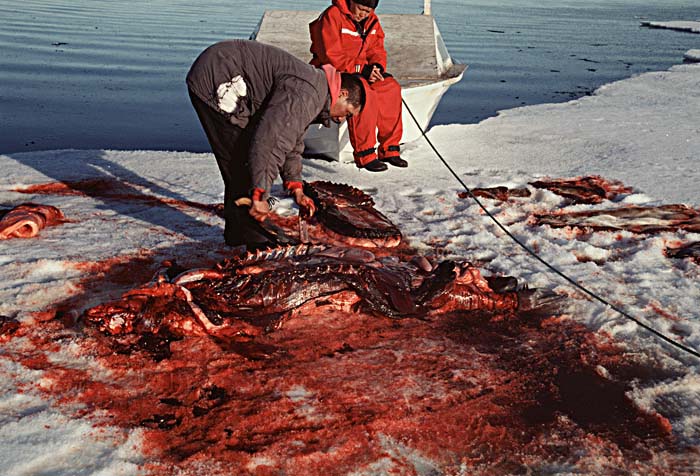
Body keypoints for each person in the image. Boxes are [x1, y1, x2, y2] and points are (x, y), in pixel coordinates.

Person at [186, 39, 365, 251]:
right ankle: (256, 239)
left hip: (224, 71)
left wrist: (295, 185)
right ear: (342, 94)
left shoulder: (316, 92)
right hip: (219, 77)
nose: (342, 120)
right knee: (243, 162)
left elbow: (291, 139)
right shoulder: (308, 93)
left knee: (244, 162)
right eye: (347, 113)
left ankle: (240, 232)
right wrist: (260, 193)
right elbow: (269, 142)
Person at [310, 0, 406, 173]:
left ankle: (389, 149)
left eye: (368, 11)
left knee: (391, 87)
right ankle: (365, 154)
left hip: (362, 71)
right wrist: (362, 69)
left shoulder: (372, 21)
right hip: (334, 71)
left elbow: (377, 49)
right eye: (361, 9)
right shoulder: (332, 15)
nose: (364, 14)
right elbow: (331, 56)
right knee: (363, 92)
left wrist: (377, 67)